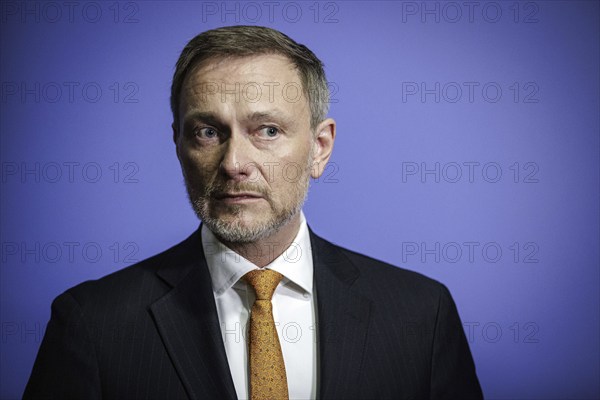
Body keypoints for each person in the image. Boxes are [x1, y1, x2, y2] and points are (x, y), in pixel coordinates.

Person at [24, 25, 483, 400]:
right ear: (179, 146)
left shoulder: (423, 314)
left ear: (319, 149)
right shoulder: (93, 322)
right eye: (206, 132)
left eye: (266, 130)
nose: (233, 163)